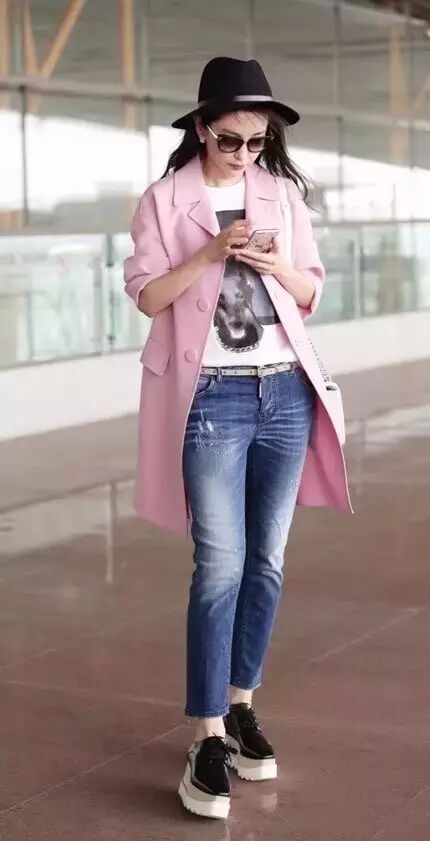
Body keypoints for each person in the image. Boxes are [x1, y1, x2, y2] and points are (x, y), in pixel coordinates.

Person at [124, 56, 352, 821]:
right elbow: (146, 296)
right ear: (201, 128)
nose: (245, 154)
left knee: (268, 560)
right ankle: (206, 733)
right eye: (231, 140)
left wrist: (276, 263)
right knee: (219, 563)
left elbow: (312, 290)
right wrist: (208, 254)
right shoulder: (165, 200)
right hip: (213, 398)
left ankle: (242, 702)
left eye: (257, 142)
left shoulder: (280, 194)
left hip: (284, 390)